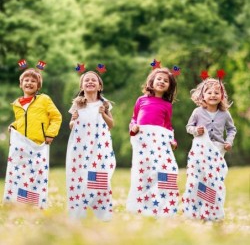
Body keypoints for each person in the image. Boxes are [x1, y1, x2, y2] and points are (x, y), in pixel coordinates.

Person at [3, 67, 62, 209]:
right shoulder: (17, 104)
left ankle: (36, 203)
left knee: (36, 174)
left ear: (38, 85)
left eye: (33, 81)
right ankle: (18, 202)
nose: (29, 83)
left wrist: (50, 134)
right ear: (21, 84)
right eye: (26, 80)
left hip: (38, 144)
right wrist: (14, 125)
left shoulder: (44, 99)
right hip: (22, 144)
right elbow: (22, 121)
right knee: (20, 173)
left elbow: (56, 117)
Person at [126, 64, 179, 218]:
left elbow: (168, 126)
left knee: (164, 169)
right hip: (143, 143)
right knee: (143, 172)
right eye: (159, 79)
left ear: (169, 87)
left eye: (166, 81)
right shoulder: (141, 100)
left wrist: (173, 140)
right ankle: (139, 204)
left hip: (159, 143)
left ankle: (162, 203)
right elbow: (134, 119)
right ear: (152, 82)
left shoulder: (167, 105)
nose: (162, 82)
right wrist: (133, 128)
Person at [182, 73, 237, 221]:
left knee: (213, 180)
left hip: (217, 149)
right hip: (200, 149)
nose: (213, 95)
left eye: (216, 92)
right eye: (209, 92)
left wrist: (229, 141)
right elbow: (189, 126)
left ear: (222, 96)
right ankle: (195, 209)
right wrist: (195, 131)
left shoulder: (225, 114)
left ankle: (211, 210)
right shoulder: (197, 112)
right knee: (198, 178)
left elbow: (232, 129)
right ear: (202, 95)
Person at [66, 69, 116, 221]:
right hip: (81, 147)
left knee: (100, 175)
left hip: (99, 147)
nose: (90, 82)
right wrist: (73, 120)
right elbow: (72, 125)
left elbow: (111, 124)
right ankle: (79, 210)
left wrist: (103, 114)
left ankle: (101, 211)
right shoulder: (77, 104)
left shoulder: (104, 104)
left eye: (93, 80)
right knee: (80, 175)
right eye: (86, 80)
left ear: (100, 86)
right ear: (82, 86)